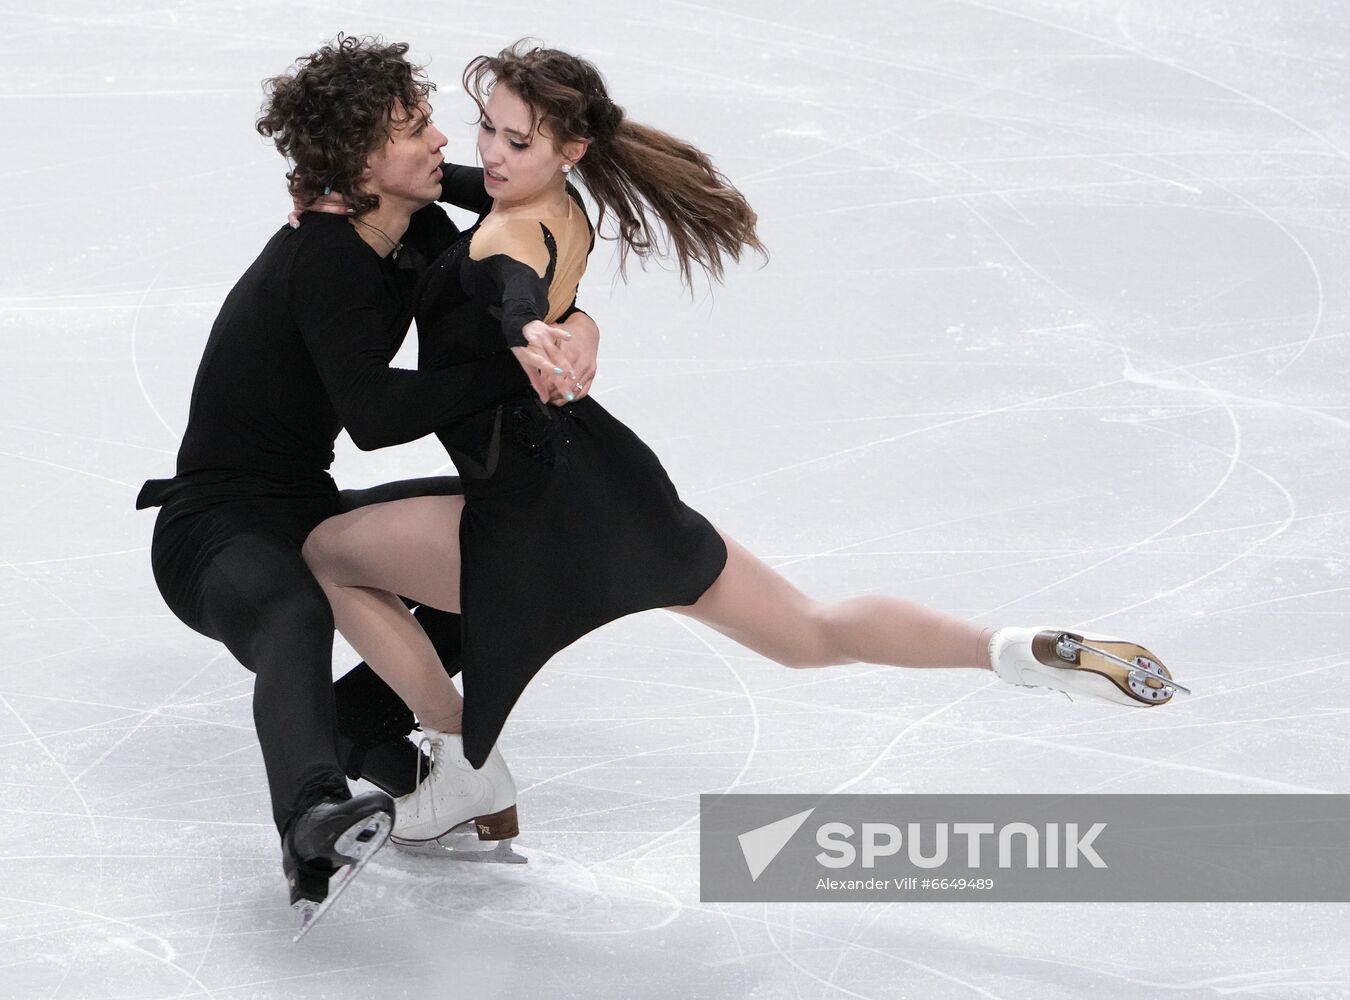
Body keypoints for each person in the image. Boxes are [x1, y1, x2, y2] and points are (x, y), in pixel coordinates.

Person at [301, 42, 1186, 852]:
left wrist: (533, 327)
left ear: (568, 151)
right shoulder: (561, 203)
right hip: (616, 488)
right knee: (808, 633)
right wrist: (573, 321)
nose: (490, 153)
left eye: (515, 141)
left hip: (531, 513)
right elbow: (482, 213)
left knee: (327, 553)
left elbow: (509, 281)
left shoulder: (500, 232)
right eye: (488, 129)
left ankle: (460, 766)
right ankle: (1008, 648)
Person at [136, 36, 599, 935]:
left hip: (305, 503)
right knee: (295, 614)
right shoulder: (326, 258)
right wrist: (518, 368)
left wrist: (576, 320)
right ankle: (311, 818)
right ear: (358, 162)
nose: (441, 142)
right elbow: (379, 415)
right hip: (215, 528)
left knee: (508, 533)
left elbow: (515, 198)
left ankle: (359, 718)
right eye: (416, 127)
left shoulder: (409, 223)